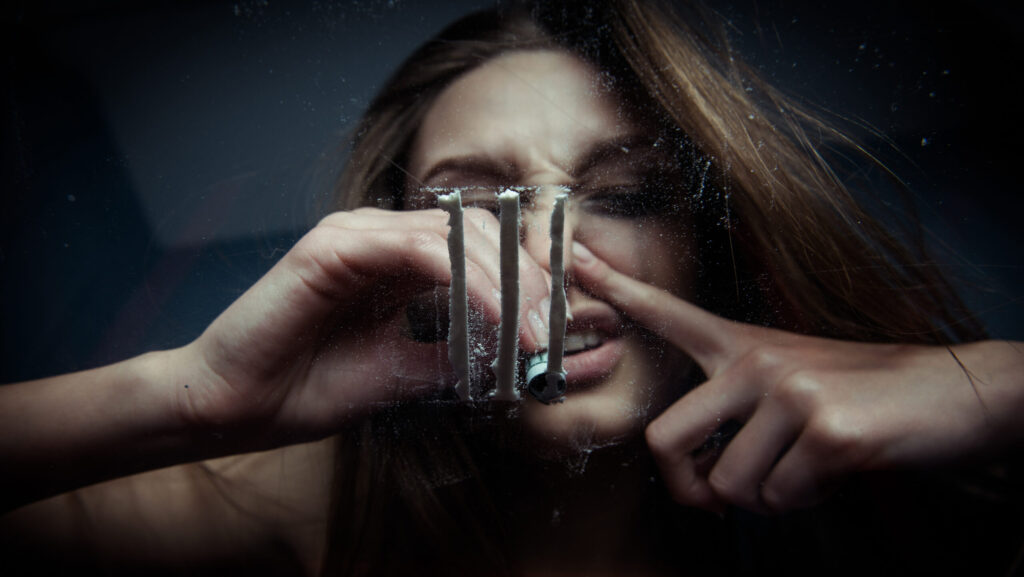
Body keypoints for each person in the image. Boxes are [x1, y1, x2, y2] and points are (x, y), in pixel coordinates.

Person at [2, 1, 1022, 575]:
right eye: (474, 210)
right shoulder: (307, 499)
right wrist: (189, 397)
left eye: (624, 194)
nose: (548, 245)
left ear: (707, 243)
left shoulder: (872, 499)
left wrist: (994, 384)